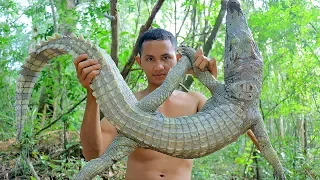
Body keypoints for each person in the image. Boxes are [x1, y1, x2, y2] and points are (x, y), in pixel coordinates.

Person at [73, 28, 258, 180]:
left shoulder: (195, 100)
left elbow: (238, 124)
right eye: (150, 59)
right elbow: (93, 155)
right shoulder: (129, 105)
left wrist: (213, 83)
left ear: (177, 59)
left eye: (166, 57)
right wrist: (92, 93)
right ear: (140, 62)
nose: (159, 66)